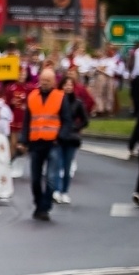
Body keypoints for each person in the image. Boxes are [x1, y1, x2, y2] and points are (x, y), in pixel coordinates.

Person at [22, 67, 65, 221]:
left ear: (54, 81)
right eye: (42, 80)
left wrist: (60, 137)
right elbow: (27, 120)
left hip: (53, 143)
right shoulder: (32, 96)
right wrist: (23, 140)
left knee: (52, 178)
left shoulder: (60, 97)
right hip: (36, 143)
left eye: (48, 80)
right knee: (35, 178)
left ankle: (45, 207)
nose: (44, 83)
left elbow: (66, 120)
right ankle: (38, 203)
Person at [49, 73, 90, 204]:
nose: (68, 87)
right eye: (65, 85)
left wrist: (75, 127)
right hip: (58, 137)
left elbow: (85, 120)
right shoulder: (55, 100)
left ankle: (64, 191)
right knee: (57, 164)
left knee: (67, 167)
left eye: (70, 85)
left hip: (71, 138)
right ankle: (56, 190)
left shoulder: (77, 102)